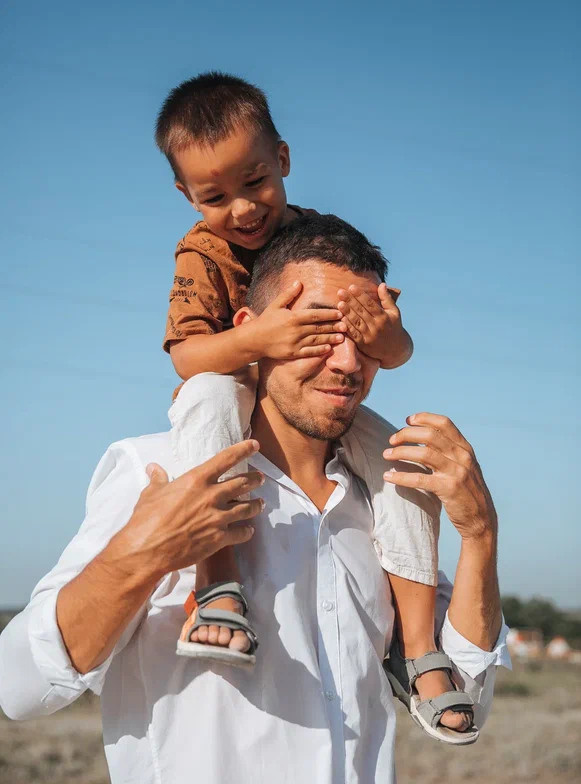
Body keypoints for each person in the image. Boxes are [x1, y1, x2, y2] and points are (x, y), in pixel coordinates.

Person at [0, 215, 510, 783]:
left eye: (363, 339)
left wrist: (481, 533)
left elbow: (466, 699)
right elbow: (19, 688)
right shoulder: (161, 473)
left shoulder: (389, 502)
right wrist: (143, 554)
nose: (345, 363)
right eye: (319, 332)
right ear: (249, 329)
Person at [155, 72, 465, 735]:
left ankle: (414, 645)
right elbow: (185, 356)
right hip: (233, 388)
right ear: (185, 195)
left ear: (283, 161)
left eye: (255, 183)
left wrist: (388, 338)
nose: (241, 209)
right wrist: (256, 338)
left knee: (399, 464)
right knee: (207, 393)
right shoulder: (200, 254)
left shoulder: (325, 238)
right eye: (214, 196)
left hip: (312, 401)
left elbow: (397, 349)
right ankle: (216, 584)